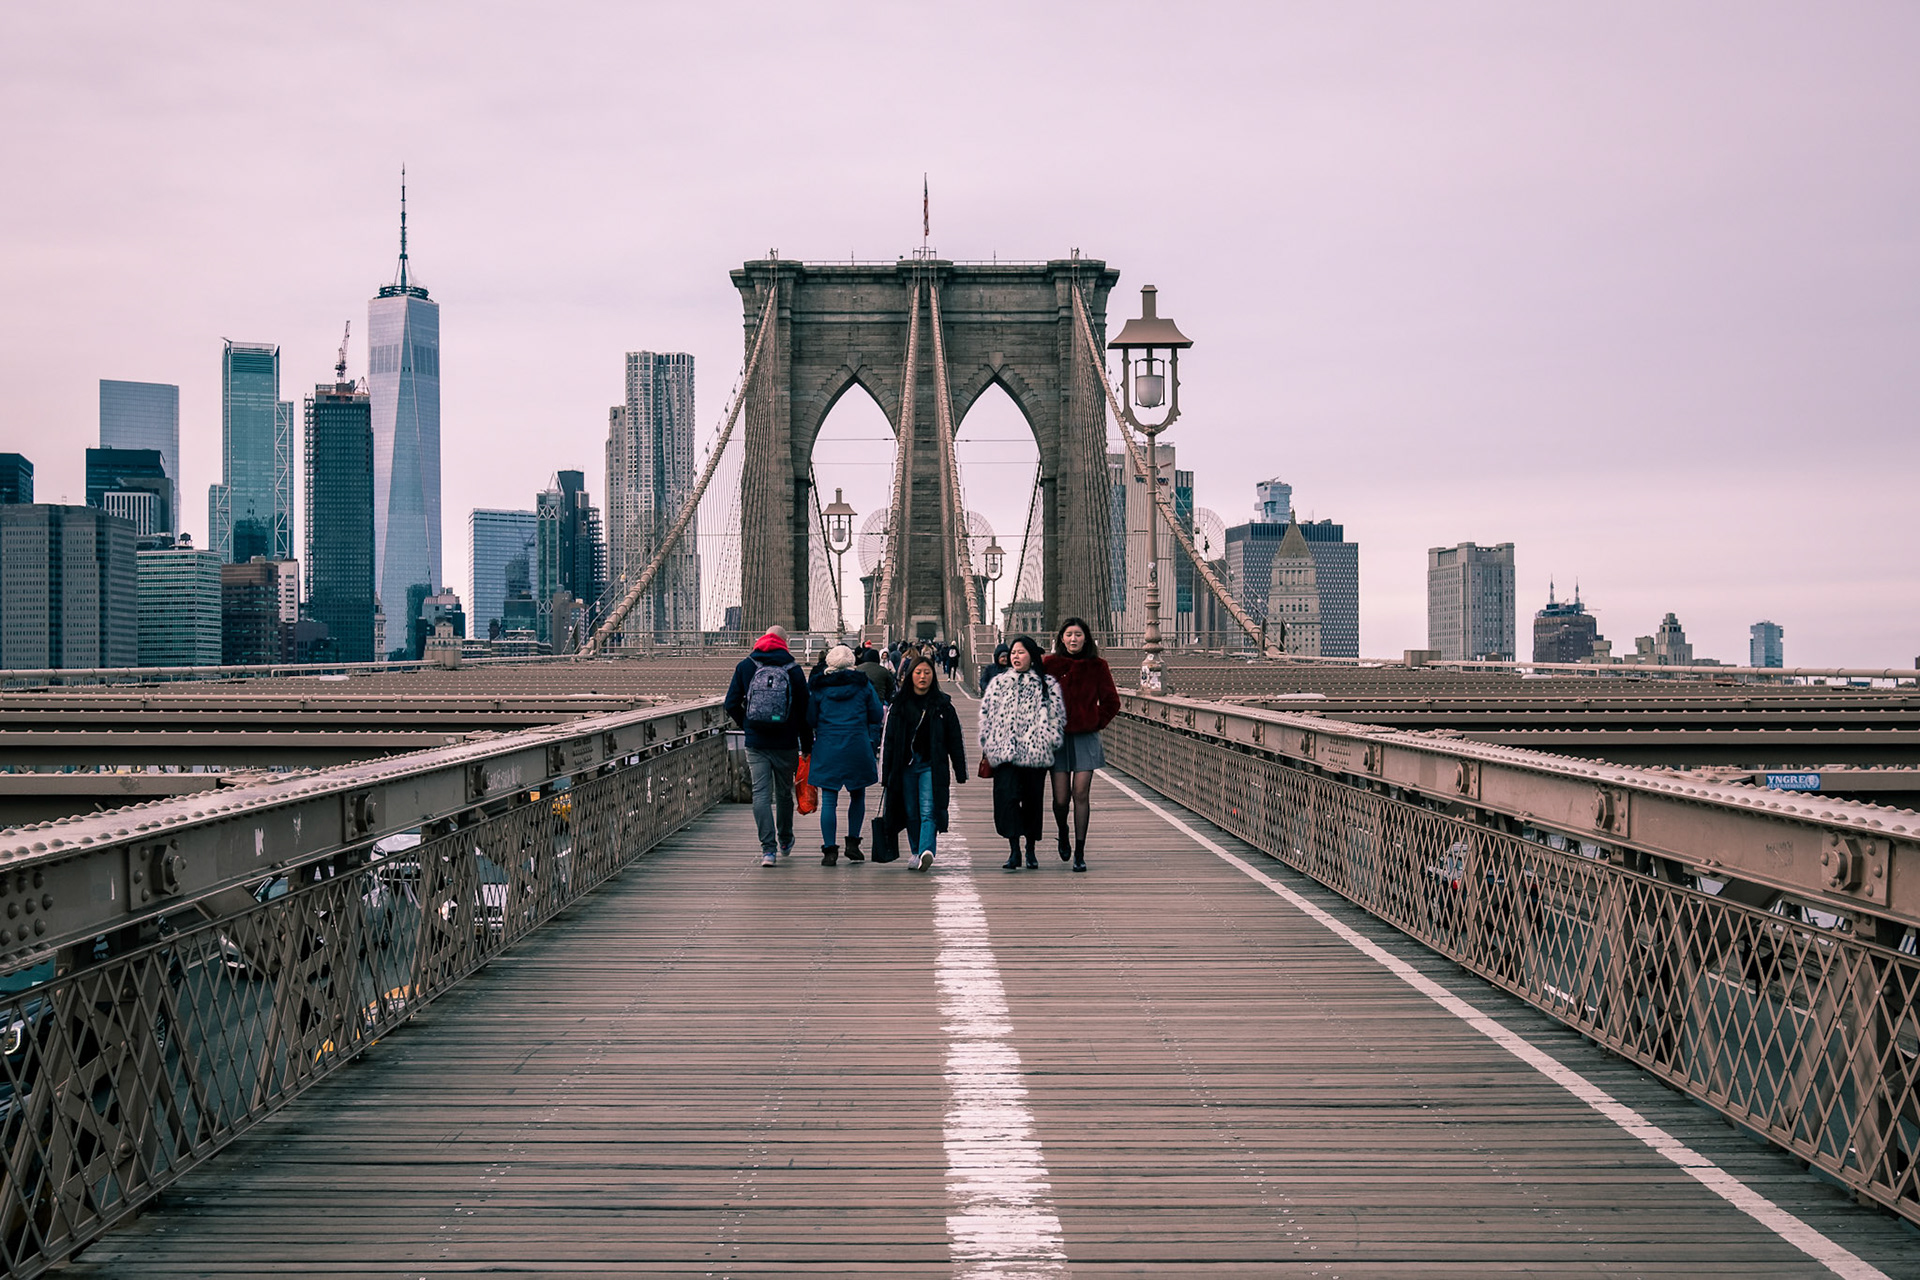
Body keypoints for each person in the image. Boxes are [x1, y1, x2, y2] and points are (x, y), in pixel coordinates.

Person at [723, 624, 813, 867]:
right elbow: (805, 711)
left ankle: (768, 851)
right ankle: (785, 840)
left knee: (761, 794)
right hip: (786, 742)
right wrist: (807, 745)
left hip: (757, 743)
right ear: (785, 642)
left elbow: (730, 703)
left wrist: (748, 725)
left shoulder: (745, 666)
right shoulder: (793, 670)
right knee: (784, 793)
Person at [978, 635, 1065, 871]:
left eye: (1021, 652)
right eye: (1013, 653)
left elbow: (1057, 718)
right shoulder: (998, 683)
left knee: (1032, 802)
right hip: (1005, 754)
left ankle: (1030, 850)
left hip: (1035, 755)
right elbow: (986, 715)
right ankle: (1013, 849)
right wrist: (989, 743)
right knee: (1006, 799)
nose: (1015, 657)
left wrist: (1050, 741)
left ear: (1032, 656)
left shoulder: (1047, 684)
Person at [1042, 616, 1119, 872]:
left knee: (1081, 793)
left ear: (1086, 638)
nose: (1073, 639)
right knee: (1061, 798)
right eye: (1069, 635)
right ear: (1061, 638)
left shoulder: (1098, 666)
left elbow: (1112, 701)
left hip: (1086, 736)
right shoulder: (1048, 664)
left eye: (1078, 634)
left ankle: (1080, 852)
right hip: (1058, 738)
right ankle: (1063, 832)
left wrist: (1096, 721)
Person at [876, 654, 967, 872]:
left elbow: (955, 739)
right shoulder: (898, 706)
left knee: (928, 809)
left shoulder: (943, 705)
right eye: (918, 672)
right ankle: (916, 851)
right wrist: (886, 773)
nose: (923, 677)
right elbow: (888, 741)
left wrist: (960, 769)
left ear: (933, 676)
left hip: (930, 765)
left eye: (927, 672)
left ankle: (927, 850)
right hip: (905, 767)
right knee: (911, 811)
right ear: (910, 676)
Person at [807, 645, 884, 866]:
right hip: (856, 746)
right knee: (857, 795)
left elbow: (811, 718)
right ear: (852, 663)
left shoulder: (819, 688)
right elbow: (877, 715)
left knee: (829, 801)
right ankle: (853, 845)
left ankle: (829, 851)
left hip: (828, 747)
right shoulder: (863, 686)